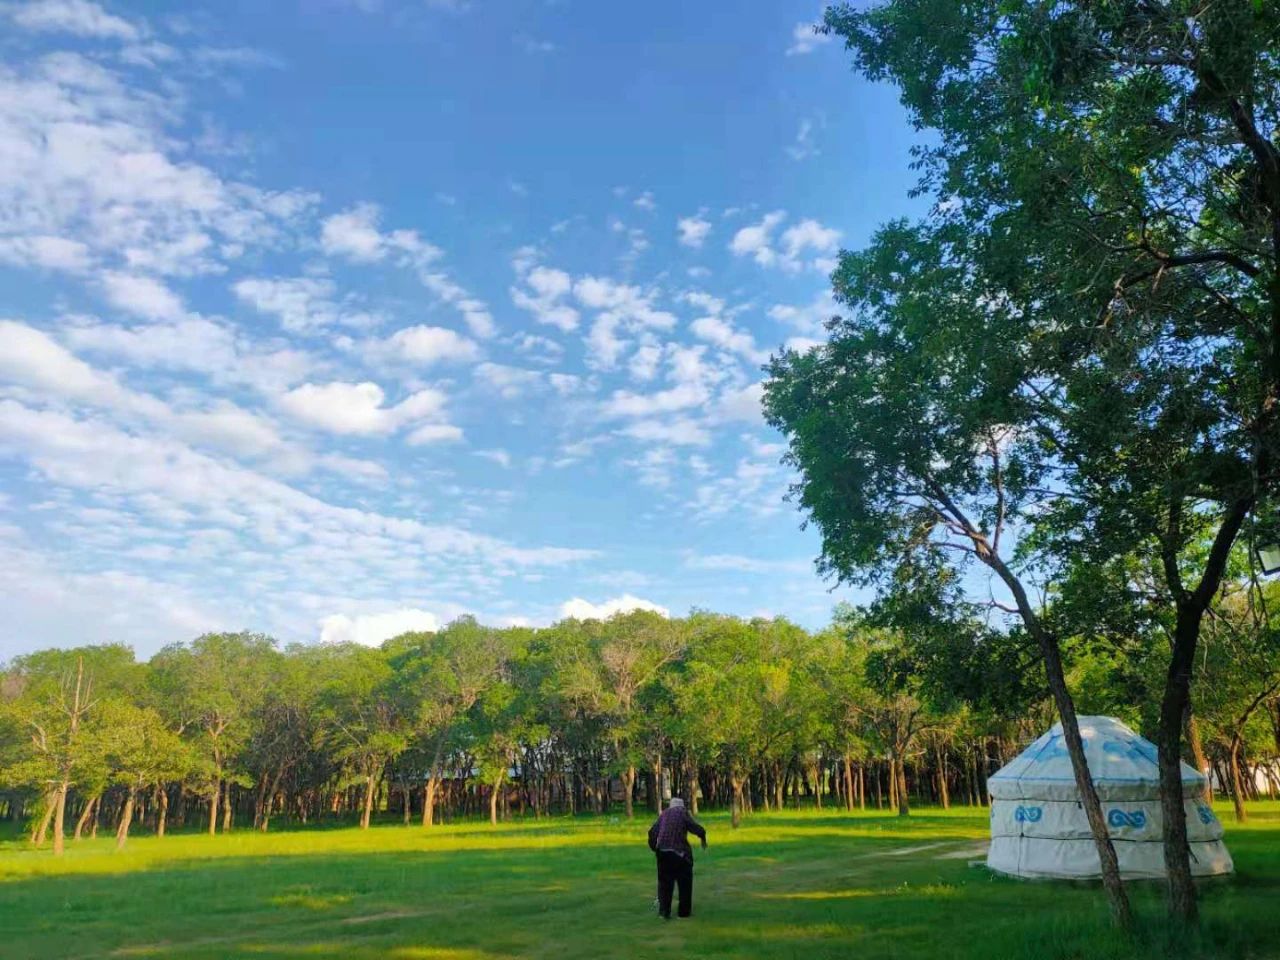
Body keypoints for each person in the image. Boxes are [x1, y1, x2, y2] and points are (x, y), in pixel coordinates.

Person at [646, 797, 706, 919]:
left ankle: (664, 913)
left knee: (665, 885)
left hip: (663, 853)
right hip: (680, 853)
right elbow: (695, 827)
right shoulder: (682, 813)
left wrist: (655, 849)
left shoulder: (664, 814)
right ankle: (683, 913)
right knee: (685, 883)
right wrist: (703, 837)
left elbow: (652, 832)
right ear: (682, 807)